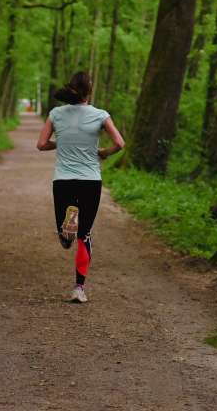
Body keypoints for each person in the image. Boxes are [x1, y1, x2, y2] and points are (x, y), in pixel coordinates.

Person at [36, 71, 125, 303]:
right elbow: (119, 143)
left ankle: (68, 227)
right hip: (90, 180)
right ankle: (79, 288)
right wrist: (103, 153)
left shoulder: (56, 114)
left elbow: (41, 144)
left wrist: (62, 143)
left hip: (63, 180)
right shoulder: (100, 115)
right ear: (89, 91)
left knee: (66, 238)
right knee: (85, 235)